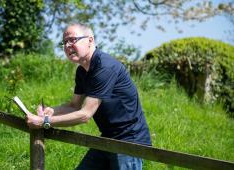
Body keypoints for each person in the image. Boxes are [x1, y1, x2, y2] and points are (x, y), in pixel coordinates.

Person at [26, 23, 152, 170]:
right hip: (107, 138)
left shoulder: (105, 67)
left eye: (72, 40)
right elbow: (74, 106)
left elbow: (85, 115)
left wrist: (44, 121)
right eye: (64, 42)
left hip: (130, 141)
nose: (67, 46)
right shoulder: (82, 71)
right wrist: (52, 111)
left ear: (90, 40)